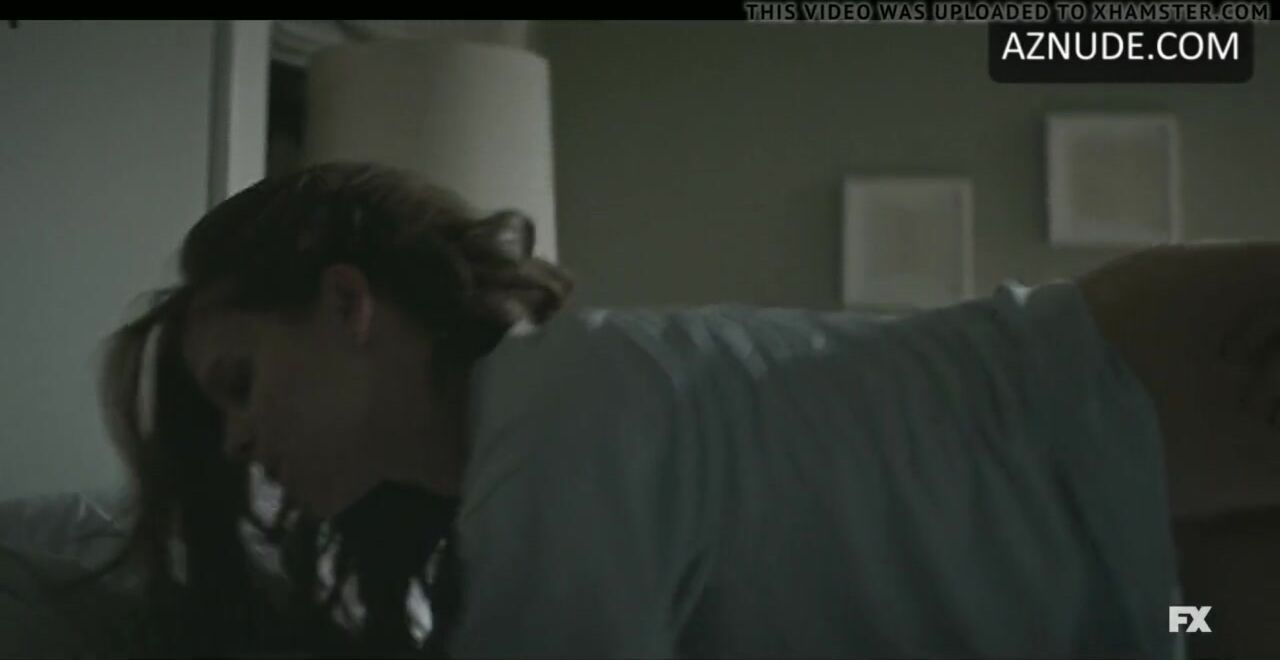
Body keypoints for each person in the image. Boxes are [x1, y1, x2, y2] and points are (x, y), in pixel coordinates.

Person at [95, 162, 1280, 658]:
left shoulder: (553, 410)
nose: (238, 440)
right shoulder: (510, 498)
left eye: (238, 384)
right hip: (1135, 592)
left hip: (1130, 389)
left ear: (347, 305)